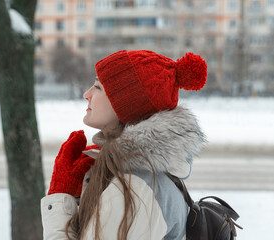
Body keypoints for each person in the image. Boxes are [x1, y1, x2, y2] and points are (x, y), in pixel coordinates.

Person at [41, 49, 207, 240]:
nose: (87, 94)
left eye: (98, 87)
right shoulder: (137, 175)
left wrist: (59, 194)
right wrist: (82, 197)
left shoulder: (134, 189)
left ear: (127, 105)